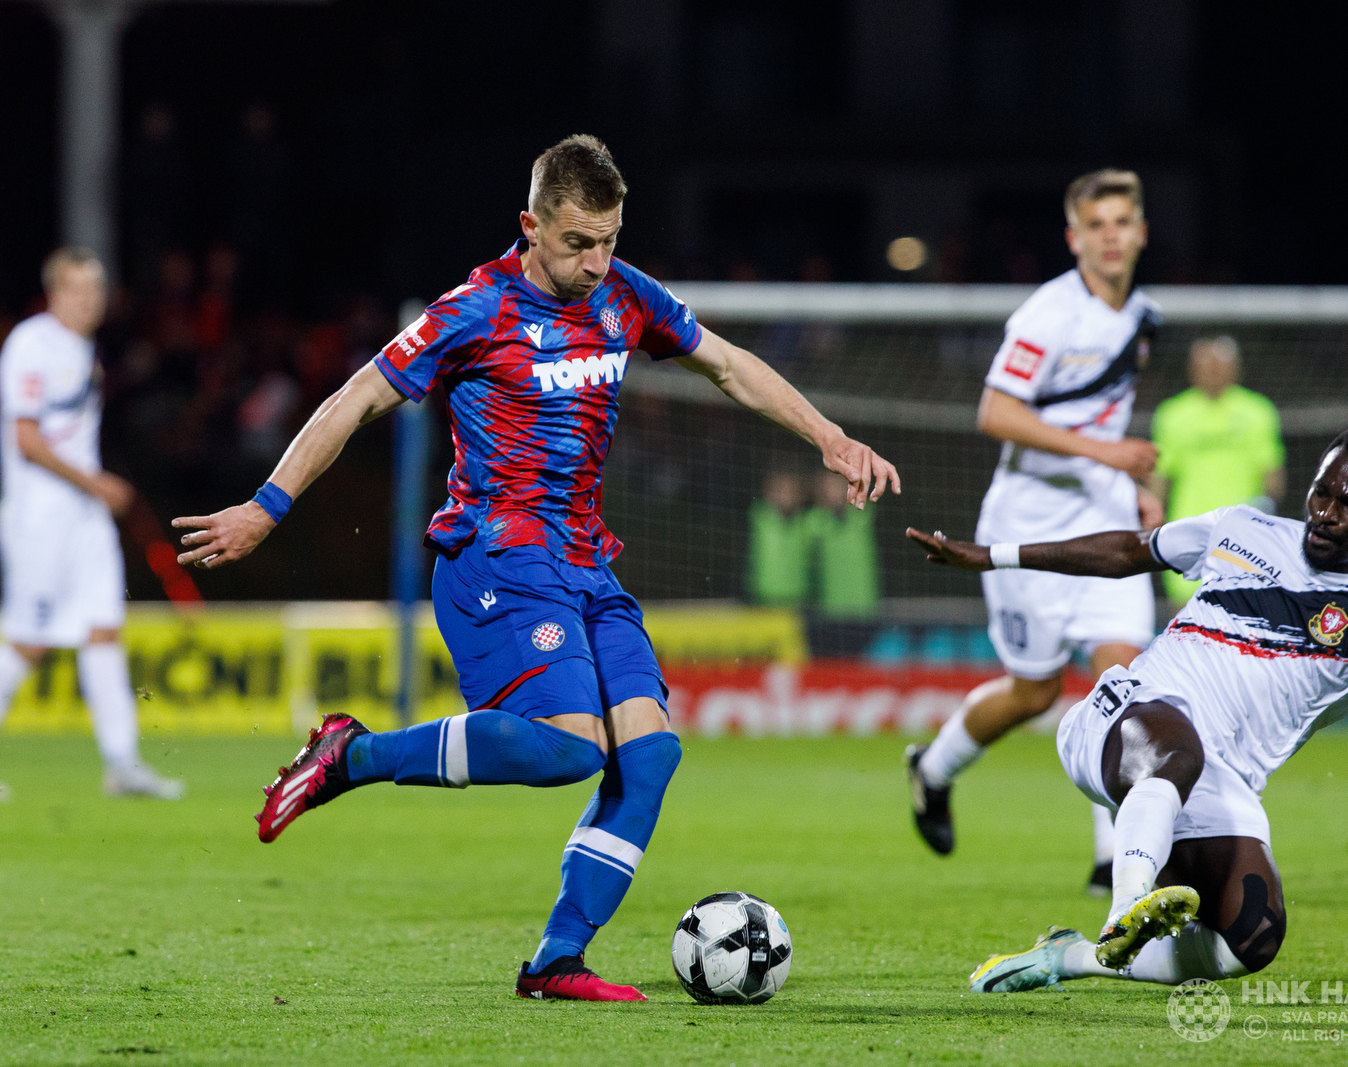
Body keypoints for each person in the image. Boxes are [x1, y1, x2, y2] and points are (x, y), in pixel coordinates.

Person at [171, 136, 899, 1002]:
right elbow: (356, 396)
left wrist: (829, 436)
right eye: (578, 242)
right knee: (566, 750)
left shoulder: (629, 296)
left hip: (587, 561)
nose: (597, 261)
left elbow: (731, 367)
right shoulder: (473, 310)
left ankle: (557, 960)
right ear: (531, 225)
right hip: (495, 557)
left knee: (651, 754)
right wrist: (268, 505)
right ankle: (353, 755)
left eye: (610, 240)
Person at [906, 424, 1348, 993]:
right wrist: (989, 557)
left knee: (1252, 938)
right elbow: (1126, 550)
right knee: (1175, 748)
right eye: (1321, 491)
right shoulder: (1240, 530)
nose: (1325, 512)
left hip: (1216, 783)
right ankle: (1125, 907)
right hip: (1125, 718)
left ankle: (1073, 955)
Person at [905, 170, 1164, 897]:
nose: (1112, 235)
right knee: (1034, 691)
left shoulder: (1142, 316)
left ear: (1141, 232)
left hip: (1105, 523)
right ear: (1074, 238)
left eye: (1123, 221)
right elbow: (995, 412)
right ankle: (934, 768)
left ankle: (1113, 857)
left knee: (1123, 681)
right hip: (1027, 523)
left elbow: (1101, 420)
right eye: (1097, 224)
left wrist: (1134, 485)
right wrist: (1111, 457)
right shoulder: (1047, 314)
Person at [0, 249, 184, 800]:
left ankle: (122, 764)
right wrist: (96, 483)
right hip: (39, 517)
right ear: (54, 292)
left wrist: (93, 492)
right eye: (77, 289)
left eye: (95, 290)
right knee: (29, 641)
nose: (88, 300)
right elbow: (27, 441)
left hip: (83, 520)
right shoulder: (30, 345)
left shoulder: (83, 349)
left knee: (103, 631)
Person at [1149, 336, 1285, 605]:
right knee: (1185, 620)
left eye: (1219, 364)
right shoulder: (1172, 414)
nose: (1212, 370)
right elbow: (1160, 477)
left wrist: (1266, 519)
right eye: (1205, 364)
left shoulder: (1257, 411)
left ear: (1235, 368)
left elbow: (1272, 474)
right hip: (1187, 532)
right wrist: (1154, 525)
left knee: (1242, 620)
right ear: (1192, 369)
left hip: (1242, 536)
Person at [806, 469, 880, 620]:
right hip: (830, 609)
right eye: (829, 485)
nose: (836, 490)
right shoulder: (814, 521)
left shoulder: (863, 515)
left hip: (864, 607)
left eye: (840, 484)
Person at [746, 469, 809, 608]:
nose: (785, 496)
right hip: (763, 597)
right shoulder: (760, 516)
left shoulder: (806, 522)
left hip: (796, 598)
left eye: (790, 491)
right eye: (780, 490)